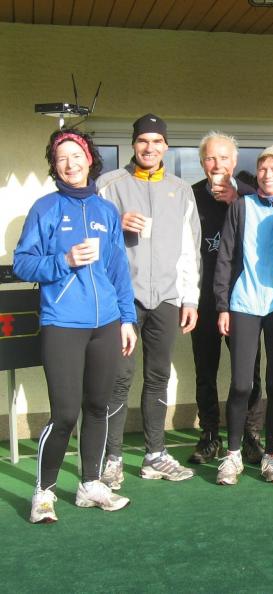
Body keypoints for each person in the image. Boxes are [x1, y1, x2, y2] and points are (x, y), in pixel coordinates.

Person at [14, 129, 136, 523]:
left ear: (89, 160)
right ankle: (44, 492)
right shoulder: (45, 208)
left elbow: (118, 270)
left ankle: (90, 485)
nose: (70, 164)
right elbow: (23, 262)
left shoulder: (106, 211)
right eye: (62, 158)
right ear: (55, 166)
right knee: (65, 414)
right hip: (63, 323)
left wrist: (127, 319)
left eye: (76, 155)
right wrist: (63, 260)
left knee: (98, 407)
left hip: (107, 324)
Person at [97, 114, 201, 488]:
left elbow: (189, 250)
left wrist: (190, 299)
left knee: (158, 377)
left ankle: (155, 455)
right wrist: (115, 223)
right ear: (133, 144)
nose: (150, 147)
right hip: (122, 299)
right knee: (119, 378)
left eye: (157, 141)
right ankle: (111, 458)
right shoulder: (108, 185)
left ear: (166, 147)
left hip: (167, 299)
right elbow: (91, 238)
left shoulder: (181, 190)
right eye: (143, 140)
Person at [213, 146, 273, 485]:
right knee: (241, 384)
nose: (268, 174)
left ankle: (271, 456)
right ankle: (233, 454)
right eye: (263, 168)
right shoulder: (240, 206)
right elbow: (225, 256)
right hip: (244, 303)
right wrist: (222, 305)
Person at [189, 132, 265, 466]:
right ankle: (209, 434)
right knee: (205, 370)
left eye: (224, 158)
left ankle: (250, 434)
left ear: (234, 162)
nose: (217, 164)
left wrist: (238, 201)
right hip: (203, 299)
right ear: (202, 162)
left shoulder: (252, 195)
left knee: (248, 373)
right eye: (210, 158)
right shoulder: (190, 196)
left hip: (243, 299)